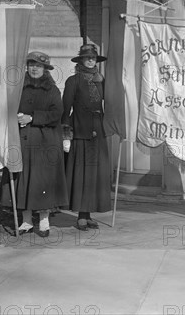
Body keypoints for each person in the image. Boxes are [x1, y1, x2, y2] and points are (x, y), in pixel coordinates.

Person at [0, 51, 68, 237]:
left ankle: (44, 221)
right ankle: (26, 221)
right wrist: (15, 116)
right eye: (31, 65)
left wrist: (32, 117)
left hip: (45, 143)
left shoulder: (52, 90)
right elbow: (8, 108)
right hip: (21, 141)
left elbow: (56, 114)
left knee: (42, 181)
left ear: (45, 69)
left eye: (38, 66)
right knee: (23, 180)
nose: (34, 68)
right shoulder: (18, 88)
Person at [62, 44, 111, 231]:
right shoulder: (73, 81)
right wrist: (65, 135)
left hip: (98, 131)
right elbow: (65, 109)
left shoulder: (101, 80)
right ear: (81, 60)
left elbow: (111, 102)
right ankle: (81, 215)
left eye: (93, 58)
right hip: (80, 131)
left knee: (95, 175)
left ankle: (89, 213)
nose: (90, 60)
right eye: (87, 58)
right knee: (81, 174)